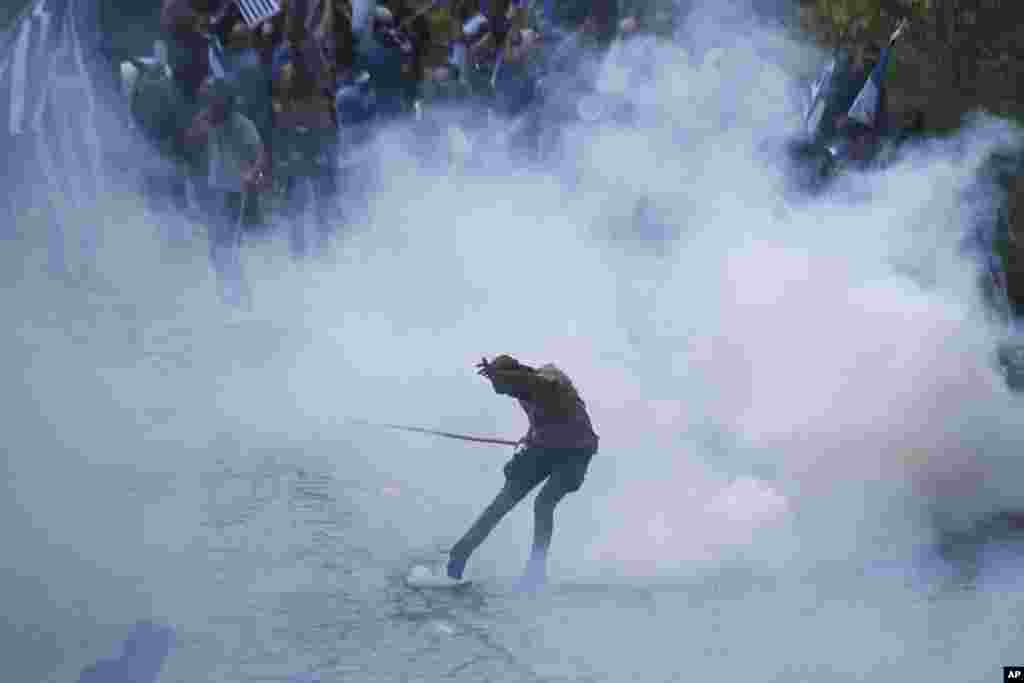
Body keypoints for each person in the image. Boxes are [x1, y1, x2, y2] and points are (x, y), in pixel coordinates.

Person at [446, 354, 599, 588]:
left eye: (500, 384)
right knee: (503, 501)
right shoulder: (523, 392)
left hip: (574, 454)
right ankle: (459, 554)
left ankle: (536, 570)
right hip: (545, 449)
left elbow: (534, 383)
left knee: (544, 503)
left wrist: (503, 375)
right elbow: (540, 419)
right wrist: (528, 439)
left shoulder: (548, 384)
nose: (499, 390)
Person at [186, 78, 270, 307]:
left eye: (214, 101)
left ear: (225, 103)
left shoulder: (242, 125)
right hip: (216, 192)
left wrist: (252, 174)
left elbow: (261, 156)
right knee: (218, 251)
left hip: (236, 193)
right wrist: (198, 128)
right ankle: (232, 295)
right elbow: (190, 143)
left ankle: (242, 298)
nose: (210, 105)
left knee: (227, 249)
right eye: (209, 101)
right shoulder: (206, 120)